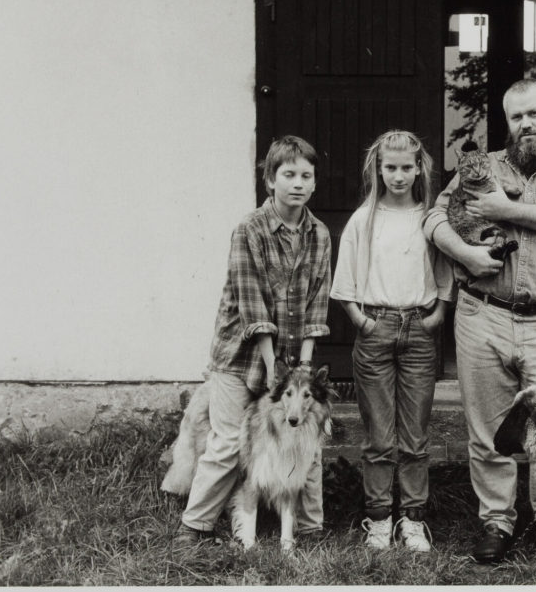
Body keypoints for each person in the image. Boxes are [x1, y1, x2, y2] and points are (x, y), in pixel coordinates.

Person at [423, 79, 536, 563]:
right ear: (507, 122)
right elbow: (434, 218)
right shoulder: (486, 168)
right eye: (517, 117)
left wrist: (506, 210)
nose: (526, 124)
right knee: (486, 429)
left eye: (534, 114)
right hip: (483, 315)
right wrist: (464, 253)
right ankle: (497, 522)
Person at [174, 135, 333, 545]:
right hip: (240, 356)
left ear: (315, 183)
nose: (297, 183)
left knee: (304, 441)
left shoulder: (319, 234)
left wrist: (302, 370)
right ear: (270, 180)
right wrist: (272, 369)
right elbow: (253, 307)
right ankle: (196, 524)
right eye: (288, 174)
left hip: (290, 363)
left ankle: (309, 527)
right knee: (228, 441)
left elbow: (317, 307)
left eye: (306, 176)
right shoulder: (249, 229)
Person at [330, 130, 453, 553]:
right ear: (377, 170)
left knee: (415, 437)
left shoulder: (429, 217)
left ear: (419, 168)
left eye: (406, 167)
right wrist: (361, 322)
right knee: (380, 436)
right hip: (376, 328)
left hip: (419, 329)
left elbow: (444, 269)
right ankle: (379, 518)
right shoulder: (366, 219)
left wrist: (438, 313)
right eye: (390, 168)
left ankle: (413, 519)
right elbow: (344, 281)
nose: (398, 176)